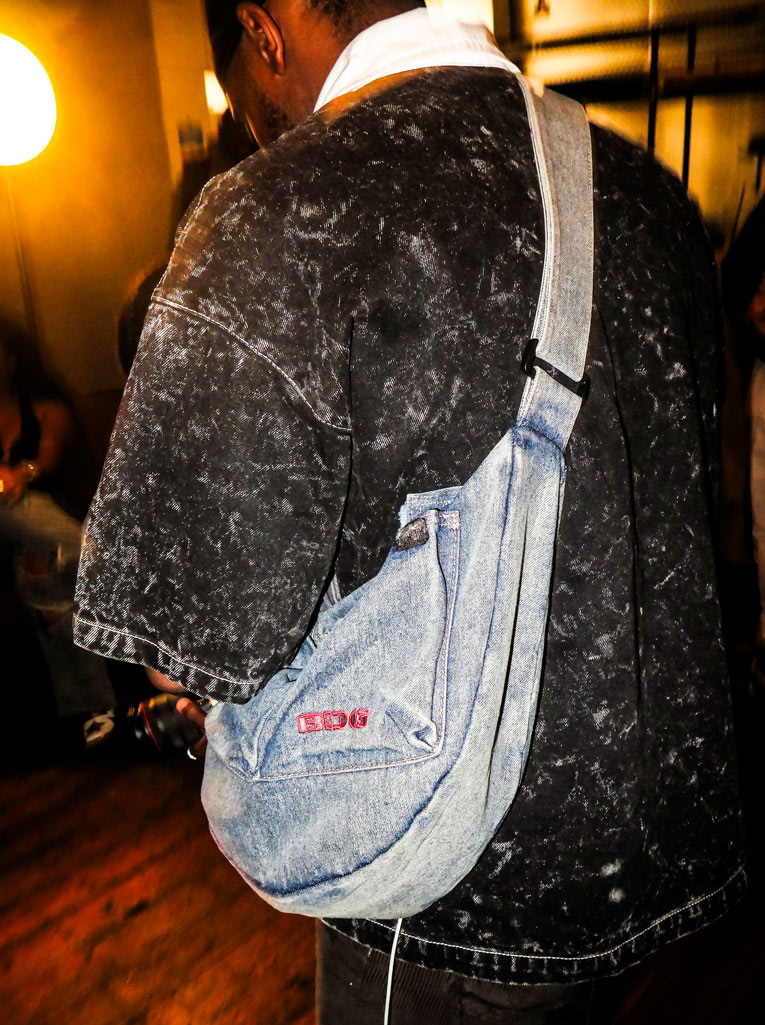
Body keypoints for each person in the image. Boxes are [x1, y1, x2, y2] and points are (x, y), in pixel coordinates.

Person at [74, 2, 746, 1021]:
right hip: (644, 854)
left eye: (245, 97)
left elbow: (184, 637)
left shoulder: (285, 206)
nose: (257, 124)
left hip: (447, 883)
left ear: (263, 32)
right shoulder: (647, 192)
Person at [0, 322, 116, 740]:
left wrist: (22, 473)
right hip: (10, 536)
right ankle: (92, 557)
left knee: (42, 580)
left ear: (11, 360)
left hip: (57, 522)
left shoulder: (48, 409)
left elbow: (49, 453)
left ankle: (93, 707)